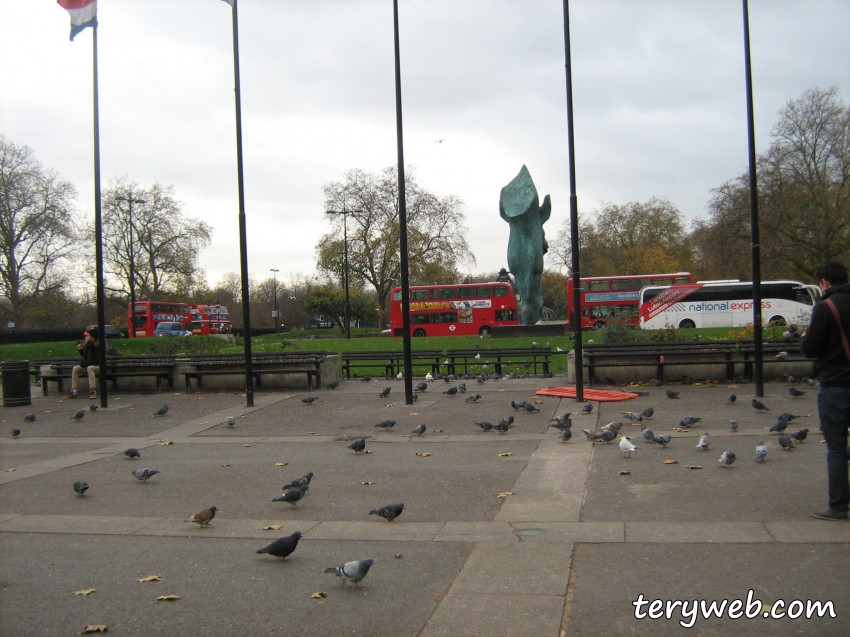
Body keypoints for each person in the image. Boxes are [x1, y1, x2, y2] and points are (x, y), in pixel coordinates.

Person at [800, 261, 850, 521]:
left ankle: (839, 506)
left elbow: (811, 348)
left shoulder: (826, 307)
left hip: (836, 384)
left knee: (837, 447)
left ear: (824, 283)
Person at [67, 328, 100, 399]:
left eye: (88, 336)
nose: (86, 337)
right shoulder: (88, 346)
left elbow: (97, 361)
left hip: (98, 367)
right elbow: (87, 358)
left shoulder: (97, 347)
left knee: (90, 368)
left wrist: (86, 363)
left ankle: (93, 391)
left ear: (93, 338)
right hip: (89, 366)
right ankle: (74, 390)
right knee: (76, 368)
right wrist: (81, 351)